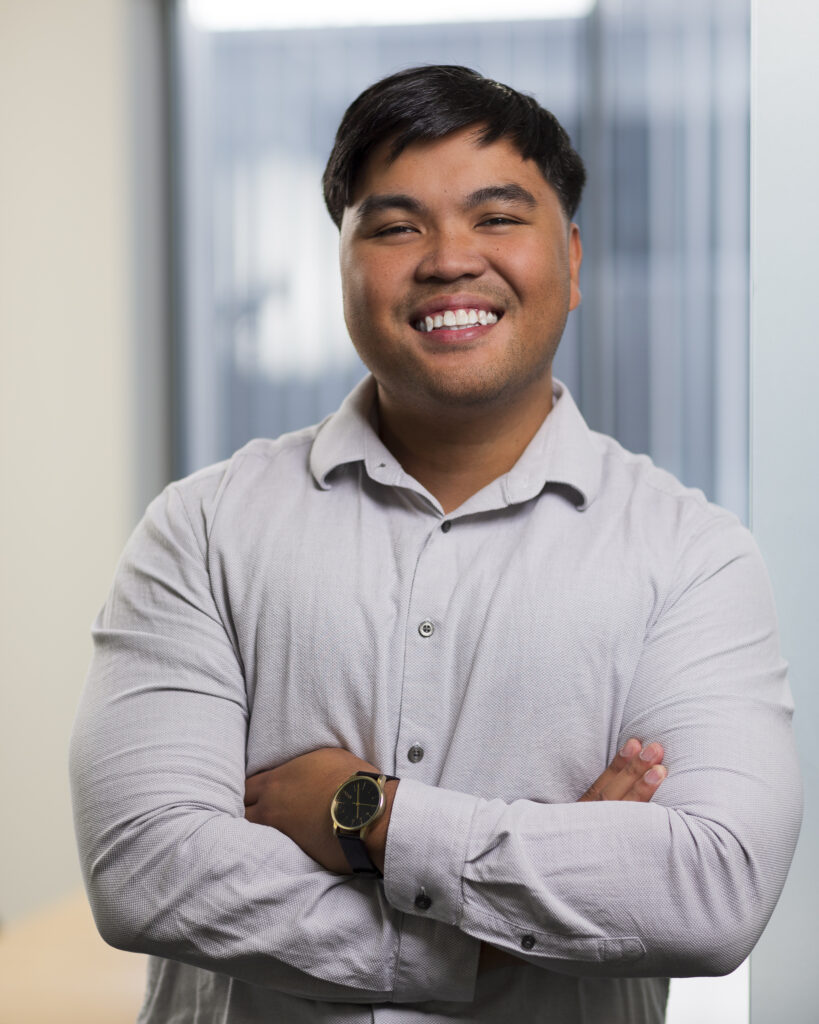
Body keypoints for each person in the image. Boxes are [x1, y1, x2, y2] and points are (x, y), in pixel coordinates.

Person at [70, 65, 802, 1024]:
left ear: (572, 262)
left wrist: (367, 813)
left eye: (498, 217)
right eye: (395, 225)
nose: (451, 259)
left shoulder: (691, 555)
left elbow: (711, 893)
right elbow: (145, 870)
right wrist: (502, 936)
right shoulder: (203, 528)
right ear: (341, 267)